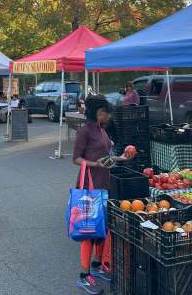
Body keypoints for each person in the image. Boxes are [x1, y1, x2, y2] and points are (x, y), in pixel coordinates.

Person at [72, 94, 114, 294]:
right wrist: (95, 164)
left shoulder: (102, 130)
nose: (109, 116)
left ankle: (97, 266)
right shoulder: (85, 131)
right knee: (88, 232)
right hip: (88, 188)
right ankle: (83, 276)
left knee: (102, 228)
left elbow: (107, 156)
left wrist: (122, 157)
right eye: (107, 113)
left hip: (103, 185)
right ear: (99, 113)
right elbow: (76, 159)